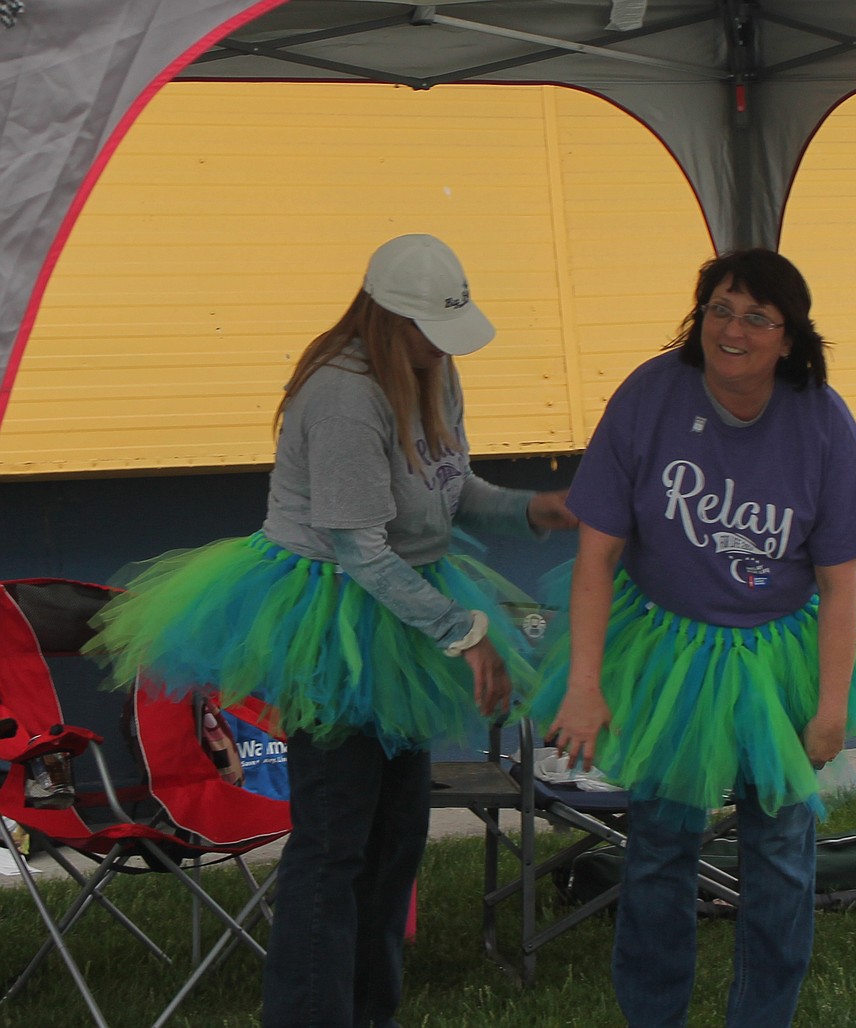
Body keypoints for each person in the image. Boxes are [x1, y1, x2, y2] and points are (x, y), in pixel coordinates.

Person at [83, 233, 576, 1028]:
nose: (442, 351)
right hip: (338, 620)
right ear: (387, 318)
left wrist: (531, 509)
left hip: (405, 615)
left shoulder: (432, 370)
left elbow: (449, 488)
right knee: (334, 847)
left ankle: (368, 1011)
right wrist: (465, 633)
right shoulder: (344, 396)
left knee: (393, 845)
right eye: (429, 333)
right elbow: (359, 551)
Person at [532, 248, 856, 1027]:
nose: (734, 329)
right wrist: (584, 684)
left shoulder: (823, 421)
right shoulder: (649, 398)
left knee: (782, 858)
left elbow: (839, 584)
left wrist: (829, 707)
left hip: (779, 652)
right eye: (720, 308)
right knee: (657, 851)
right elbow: (595, 557)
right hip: (667, 650)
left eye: (758, 317)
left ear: (789, 339)